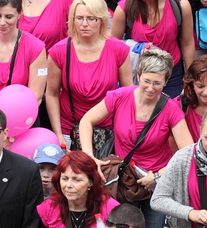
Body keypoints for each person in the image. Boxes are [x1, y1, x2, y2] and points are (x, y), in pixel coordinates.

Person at [81, 47, 193, 228]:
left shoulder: (171, 109)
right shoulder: (120, 96)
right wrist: (90, 157)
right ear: (138, 75)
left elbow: (188, 153)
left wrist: (157, 176)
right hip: (125, 180)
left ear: (166, 81)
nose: (150, 88)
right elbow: (86, 120)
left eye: (157, 83)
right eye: (146, 81)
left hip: (155, 184)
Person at [46, 0, 132, 148]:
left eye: (91, 18)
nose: (84, 24)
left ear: (102, 20)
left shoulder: (118, 49)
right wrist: (58, 135)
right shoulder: (59, 51)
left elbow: (127, 94)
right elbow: (51, 94)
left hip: (108, 128)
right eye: (79, 18)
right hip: (70, 128)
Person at [111, 0, 194, 96]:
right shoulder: (124, 8)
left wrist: (190, 79)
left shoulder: (180, 5)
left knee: (169, 113)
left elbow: (187, 43)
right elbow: (113, 46)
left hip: (171, 75)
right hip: (138, 75)